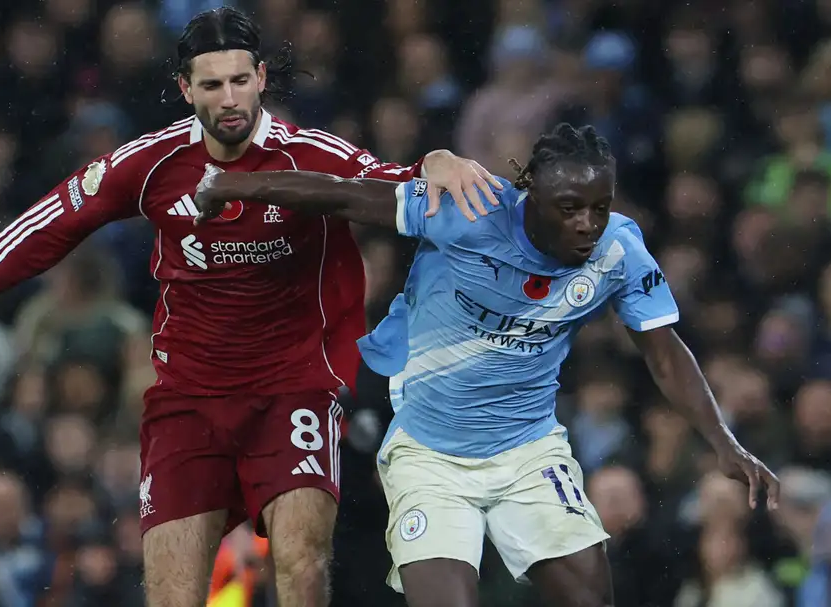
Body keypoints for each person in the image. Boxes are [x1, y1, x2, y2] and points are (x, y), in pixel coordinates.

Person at [0, 7, 499, 607]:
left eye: (239, 80)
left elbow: (397, 186)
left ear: (260, 77)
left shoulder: (309, 156)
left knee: (301, 560)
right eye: (212, 85)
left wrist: (435, 161)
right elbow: (52, 221)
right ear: (185, 88)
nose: (229, 98)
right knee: (173, 591)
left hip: (293, 389)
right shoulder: (154, 162)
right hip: (189, 398)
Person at [191, 122, 781, 607]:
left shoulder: (618, 251)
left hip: (528, 451)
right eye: (569, 208)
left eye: (600, 207)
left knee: (590, 598)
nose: (587, 224)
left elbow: (664, 352)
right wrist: (234, 184)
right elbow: (344, 195)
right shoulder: (467, 211)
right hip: (428, 454)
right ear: (531, 195)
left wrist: (723, 442)